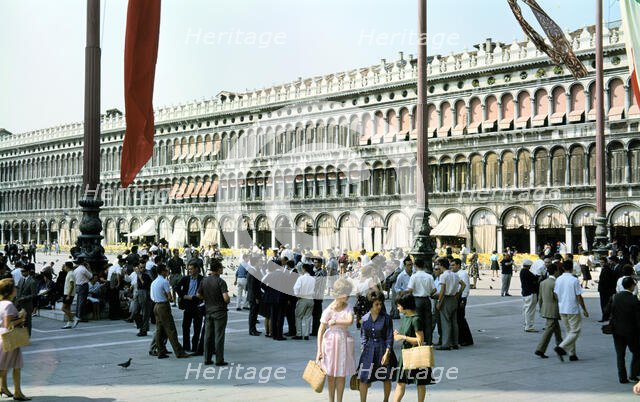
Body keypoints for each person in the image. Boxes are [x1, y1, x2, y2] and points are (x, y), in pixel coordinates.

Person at [316, 278, 356, 402]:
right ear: (339, 293)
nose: (348, 296)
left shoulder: (348, 306)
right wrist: (319, 351)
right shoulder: (328, 310)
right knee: (331, 375)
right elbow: (320, 331)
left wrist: (335, 321)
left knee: (341, 374)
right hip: (330, 343)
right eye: (345, 293)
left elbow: (349, 321)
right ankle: (331, 400)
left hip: (343, 342)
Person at [357, 290, 396, 402]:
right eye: (376, 304)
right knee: (364, 377)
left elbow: (389, 337)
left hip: (383, 349)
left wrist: (387, 353)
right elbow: (363, 337)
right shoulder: (364, 319)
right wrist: (363, 349)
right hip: (369, 350)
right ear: (371, 305)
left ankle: (386, 400)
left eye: (381, 303)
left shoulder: (386, 318)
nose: (379, 306)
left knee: (386, 377)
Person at [393, 292, 429, 402]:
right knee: (400, 382)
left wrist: (402, 337)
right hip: (405, 353)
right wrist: (398, 334)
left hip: (416, 354)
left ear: (405, 305)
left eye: (399, 305)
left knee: (420, 383)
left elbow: (420, 340)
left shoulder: (415, 319)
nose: (398, 308)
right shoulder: (405, 317)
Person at [149, 264, 190, 359]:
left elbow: (152, 296)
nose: (168, 272)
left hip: (156, 306)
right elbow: (170, 297)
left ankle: (160, 351)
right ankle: (179, 352)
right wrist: (170, 298)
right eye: (166, 270)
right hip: (163, 306)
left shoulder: (154, 282)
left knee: (159, 330)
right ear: (163, 271)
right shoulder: (164, 282)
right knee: (171, 330)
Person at [0, 279, 30, 401]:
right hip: (9, 338)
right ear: (10, 291)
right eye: (14, 288)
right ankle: (18, 392)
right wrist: (22, 317)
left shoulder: (1, 303)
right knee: (16, 366)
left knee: (4, 365)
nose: (16, 289)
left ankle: (3, 387)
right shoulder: (8, 305)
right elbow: (8, 324)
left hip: (2, 337)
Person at [553, 260, 589, 362]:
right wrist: (584, 309)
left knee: (569, 331)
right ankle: (561, 347)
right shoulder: (574, 280)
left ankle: (572, 354)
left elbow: (555, 294)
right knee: (575, 331)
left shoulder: (558, 279)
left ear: (563, 268)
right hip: (572, 308)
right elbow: (579, 296)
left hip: (562, 308)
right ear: (572, 268)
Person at [197, 259, 230, 366]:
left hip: (208, 311)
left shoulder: (204, 280)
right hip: (220, 312)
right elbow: (226, 298)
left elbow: (198, 295)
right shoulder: (221, 282)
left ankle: (207, 358)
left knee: (208, 336)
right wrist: (227, 300)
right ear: (219, 269)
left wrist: (206, 298)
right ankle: (219, 360)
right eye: (221, 268)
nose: (222, 270)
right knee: (219, 336)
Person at [610, 276, 640, 383]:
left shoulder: (615, 297)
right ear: (632, 286)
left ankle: (622, 377)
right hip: (631, 332)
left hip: (617, 330)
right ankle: (633, 374)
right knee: (637, 352)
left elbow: (608, 312)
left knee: (620, 355)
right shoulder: (634, 300)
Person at [435, 258, 465, 350]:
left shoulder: (443, 276)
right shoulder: (455, 275)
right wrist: (458, 294)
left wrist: (439, 301)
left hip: (446, 299)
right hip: (453, 299)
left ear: (441, 265)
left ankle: (446, 344)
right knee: (454, 322)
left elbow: (442, 290)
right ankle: (455, 342)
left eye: (438, 265)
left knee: (446, 322)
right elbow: (463, 285)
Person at [535, 263, 562, 358]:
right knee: (549, 329)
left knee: (556, 329)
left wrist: (541, 308)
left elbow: (540, 298)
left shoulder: (543, 283)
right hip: (553, 309)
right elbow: (558, 298)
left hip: (545, 308)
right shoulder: (555, 283)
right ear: (555, 271)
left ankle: (561, 346)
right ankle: (540, 349)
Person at [406, 258, 435, 345]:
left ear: (415, 266)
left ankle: (419, 340)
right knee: (428, 321)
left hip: (417, 299)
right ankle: (429, 341)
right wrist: (428, 293)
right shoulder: (429, 276)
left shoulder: (414, 276)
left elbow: (410, 289)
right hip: (426, 299)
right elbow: (434, 289)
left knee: (418, 321)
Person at [176, 263, 203, 352]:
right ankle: (186, 345)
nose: (189, 271)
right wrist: (183, 296)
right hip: (188, 304)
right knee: (185, 326)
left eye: (191, 269)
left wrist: (201, 297)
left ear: (196, 269)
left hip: (197, 304)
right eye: (189, 269)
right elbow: (177, 287)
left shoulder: (202, 279)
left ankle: (195, 346)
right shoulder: (185, 278)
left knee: (197, 326)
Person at [451, 258, 473, 346]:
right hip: (457, 297)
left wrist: (463, 299)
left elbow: (466, 287)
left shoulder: (463, 274)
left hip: (461, 298)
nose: (452, 267)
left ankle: (466, 339)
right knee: (458, 319)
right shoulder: (455, 273)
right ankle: (461, 338)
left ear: (458, 265)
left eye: (453, 265)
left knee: (461, 319)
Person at [293, 263, 315, 340]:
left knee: (298, 317)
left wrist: (297, 295)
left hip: (302, 299)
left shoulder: (301, 278)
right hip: (310, 299)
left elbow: (296, 288)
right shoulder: (313, 279)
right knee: (308, 317)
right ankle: (306, 334)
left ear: (304, 269)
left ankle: (299, 334)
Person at [14, 266, 36, 336]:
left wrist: (24, 298)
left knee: (27, 321)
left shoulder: (32, 281)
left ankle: (28, 336)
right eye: (21, 271)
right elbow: (18, 289)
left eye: (23, 271)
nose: (22, 273)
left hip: (27, 304)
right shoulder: (21, 279)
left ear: (28, 271)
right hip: (18, 303)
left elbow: (34, 294)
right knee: (18, 320)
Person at [520, 259, 539, 332]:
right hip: (530, 293)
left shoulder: (522, 271)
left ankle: (526, 324)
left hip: (525, 292)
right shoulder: (527, 272)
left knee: (526, 309)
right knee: (530, 310)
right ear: (529, 266)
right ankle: (529, 326)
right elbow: (536, 279)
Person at [598, 257, 617, 322]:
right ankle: (606, 316)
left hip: (605, 290)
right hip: (605, 289)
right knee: (605, 303)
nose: (601, 264)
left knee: (604, 304)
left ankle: (605, 317)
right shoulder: (606, 269)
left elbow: (606, 280)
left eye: (602, 262)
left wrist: (600, 282)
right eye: (600, 262)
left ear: (605, 262)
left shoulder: (606, 269)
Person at [60, 261, 78, 329]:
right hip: (68, 293)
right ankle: (69, 323)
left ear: (67, 266)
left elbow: (72, 285)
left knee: (63, 308)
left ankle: (74, 318)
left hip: (68, 293)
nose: (64, 267)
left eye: (64, 266)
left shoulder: (71, 274)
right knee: (68, 308)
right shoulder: (70, 273)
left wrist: (68, 295)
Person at [73, 258, 92, 322]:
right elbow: (90, 276)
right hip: (83, 286)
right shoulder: (84, 269)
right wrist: (89, 268)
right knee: (82, 302)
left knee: (79, 301)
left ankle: (78, 315)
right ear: (83, 262)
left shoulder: (76, 270)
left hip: (78, 286)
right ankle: (80, 316)